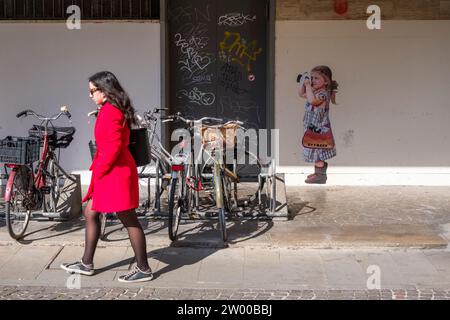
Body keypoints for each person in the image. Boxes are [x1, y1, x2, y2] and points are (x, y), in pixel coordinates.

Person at [61, 71, 153, 283]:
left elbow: (112, 147)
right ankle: (86, 263)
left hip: (115, 172)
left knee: (128, 218)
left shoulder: (112, 111)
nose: (90, 95)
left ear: (105, 90)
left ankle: (144, 268)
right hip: (111, 170)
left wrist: (99, 171)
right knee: (91, 212)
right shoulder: (109, 109)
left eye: (93, 91)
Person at [298, 65, 339, 184]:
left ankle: (320, 176)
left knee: (319, 151)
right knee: (314, 149)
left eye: (316, 78)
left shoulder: (323, 94)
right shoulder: (315, 91)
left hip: (319, 128)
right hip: (312, 126)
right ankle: (318, 173)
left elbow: (312, 101)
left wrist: (307, 86)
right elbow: (301, 95)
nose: (312, 80)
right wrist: (303, 84)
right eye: (311, 77)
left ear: (326, 81)